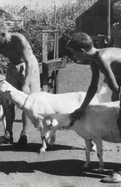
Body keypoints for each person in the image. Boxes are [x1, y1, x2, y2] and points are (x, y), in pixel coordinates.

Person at [66, 32, 121, 183]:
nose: (73, 56)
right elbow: (92, 87)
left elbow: (115, 87)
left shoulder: (102, 58)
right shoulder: (95, 60)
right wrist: (82, 108)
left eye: (73, 52)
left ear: (81, 51)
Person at [0, 21, 41, 147]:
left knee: (27, 101)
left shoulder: (19, 39)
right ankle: (8, 134)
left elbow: (28, 63)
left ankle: (24, 134)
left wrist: (26, 84)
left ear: (3, 34)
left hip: (28, 66)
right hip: (13, 66)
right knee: (8, 100)